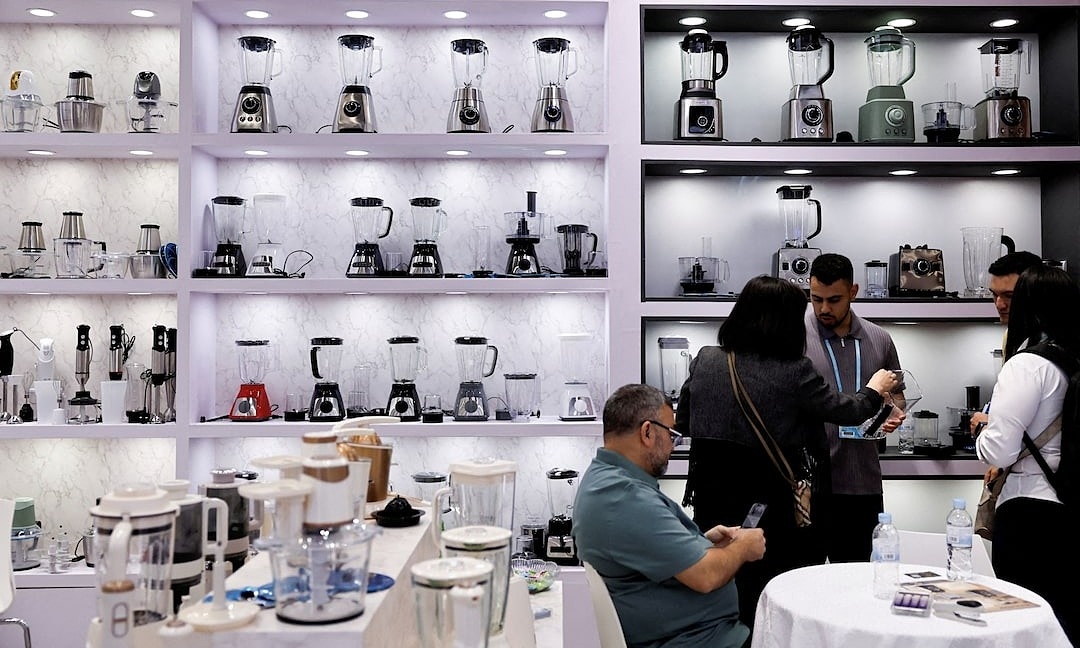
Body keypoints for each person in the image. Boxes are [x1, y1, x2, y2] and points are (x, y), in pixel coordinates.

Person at [675, 275, 898, 629]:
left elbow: (684, 421)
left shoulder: (706, 359)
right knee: (777, 598)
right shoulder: (793, 371)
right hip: (770, 512)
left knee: (723, 592)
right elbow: (846, 410)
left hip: (712, 506)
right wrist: (873, 389)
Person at [572, 383, 767, 648]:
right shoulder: (625, 497)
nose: (673, 446)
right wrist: (743, 547)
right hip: (697, 640)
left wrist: (701, 541)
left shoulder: (605, 481)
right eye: (671, 433)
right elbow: (705, 576)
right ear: (648, 432)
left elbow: (645, 548)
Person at [974, 264, 1079, 644]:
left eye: (1010, 297)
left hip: (1028, 511)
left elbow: (1000, 450)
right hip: (1067, 503)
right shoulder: (1072, 358)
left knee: (1022, 626)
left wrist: (982, 432)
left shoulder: (1027, 364)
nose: (1001, 304)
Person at [805, 253, 903, 564]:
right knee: (802, 579)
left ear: (853, 292)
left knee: (857, 580)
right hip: (810, 484)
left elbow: (897, 397)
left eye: (834, 300)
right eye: (816, 299)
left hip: (863, 481)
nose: (823, 309)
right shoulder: (796, 336)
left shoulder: (879, 339)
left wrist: (894, 414)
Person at [970, 251, 1043, 432]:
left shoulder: (1050, 343)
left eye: (1010, 296)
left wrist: (988, 426)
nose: (999, 304)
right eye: (994, 295)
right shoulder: (1010, 335)